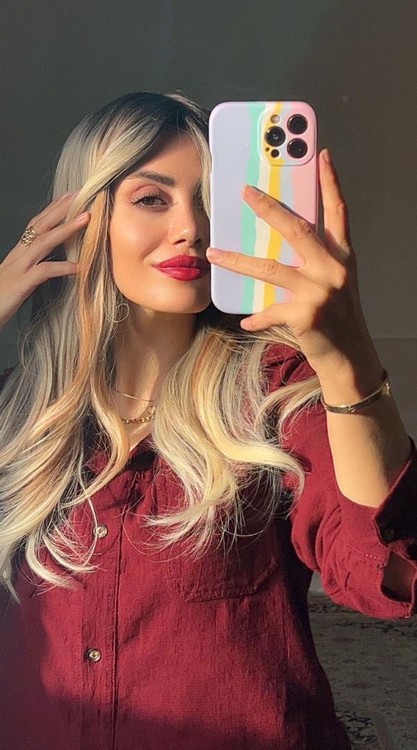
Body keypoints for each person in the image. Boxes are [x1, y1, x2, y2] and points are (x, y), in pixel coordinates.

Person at [0, 90, 416, 750]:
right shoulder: (20, 410)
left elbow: (386, 574)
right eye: (152, 198)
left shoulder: (279, 389)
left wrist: (350, 361)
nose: (191, 227)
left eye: (211, 202)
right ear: (82, 220)